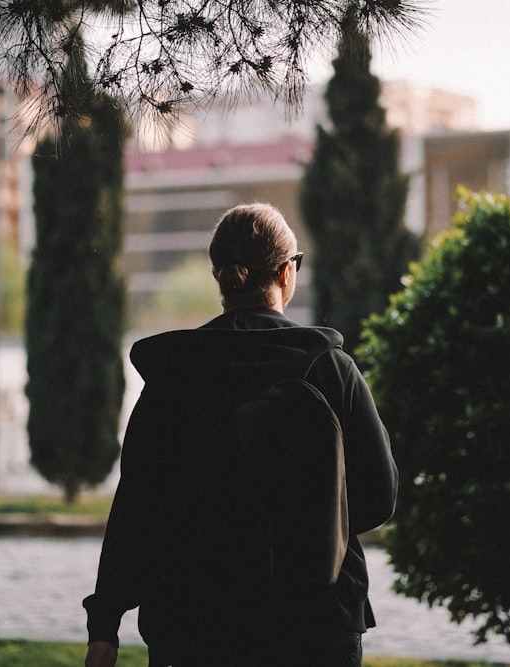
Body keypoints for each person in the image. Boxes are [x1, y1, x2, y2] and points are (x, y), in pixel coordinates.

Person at [83, 202, 398, 667]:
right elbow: (379, 497)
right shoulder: (330, 371)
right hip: (315, 624)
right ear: (287, 273)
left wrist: (104, 627)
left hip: (192, 624)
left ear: (221, 279)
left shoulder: (174, 377)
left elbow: (137, 508)